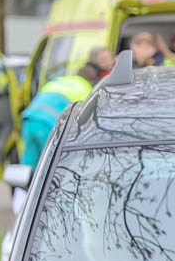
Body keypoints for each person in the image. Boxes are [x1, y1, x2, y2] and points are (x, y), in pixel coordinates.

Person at [18, 47, 111, 177]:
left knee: (28, 169)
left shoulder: (61, 81)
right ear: (91, 81)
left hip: (29, 120)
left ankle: (23, 194)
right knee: (51, 167)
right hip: (46, 125)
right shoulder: (85, 89)